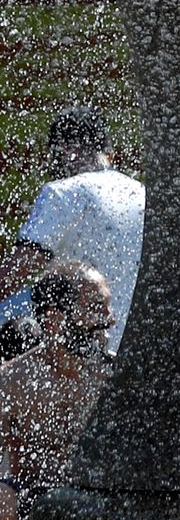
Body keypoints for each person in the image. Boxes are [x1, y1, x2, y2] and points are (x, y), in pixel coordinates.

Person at [0, 260, 115, 520]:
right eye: (96, 309)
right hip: (29, 507)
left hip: (98, 503)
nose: (110, 322)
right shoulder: (14, 382)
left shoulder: (115, 382)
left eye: (109, 308)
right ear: (54, 321)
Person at [0, 105, 146, 355]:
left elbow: (18, 269)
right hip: (128, 347)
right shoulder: (141, 193)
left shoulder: (64, 192)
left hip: (79, 350)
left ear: (67, 149)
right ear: (106, 151)